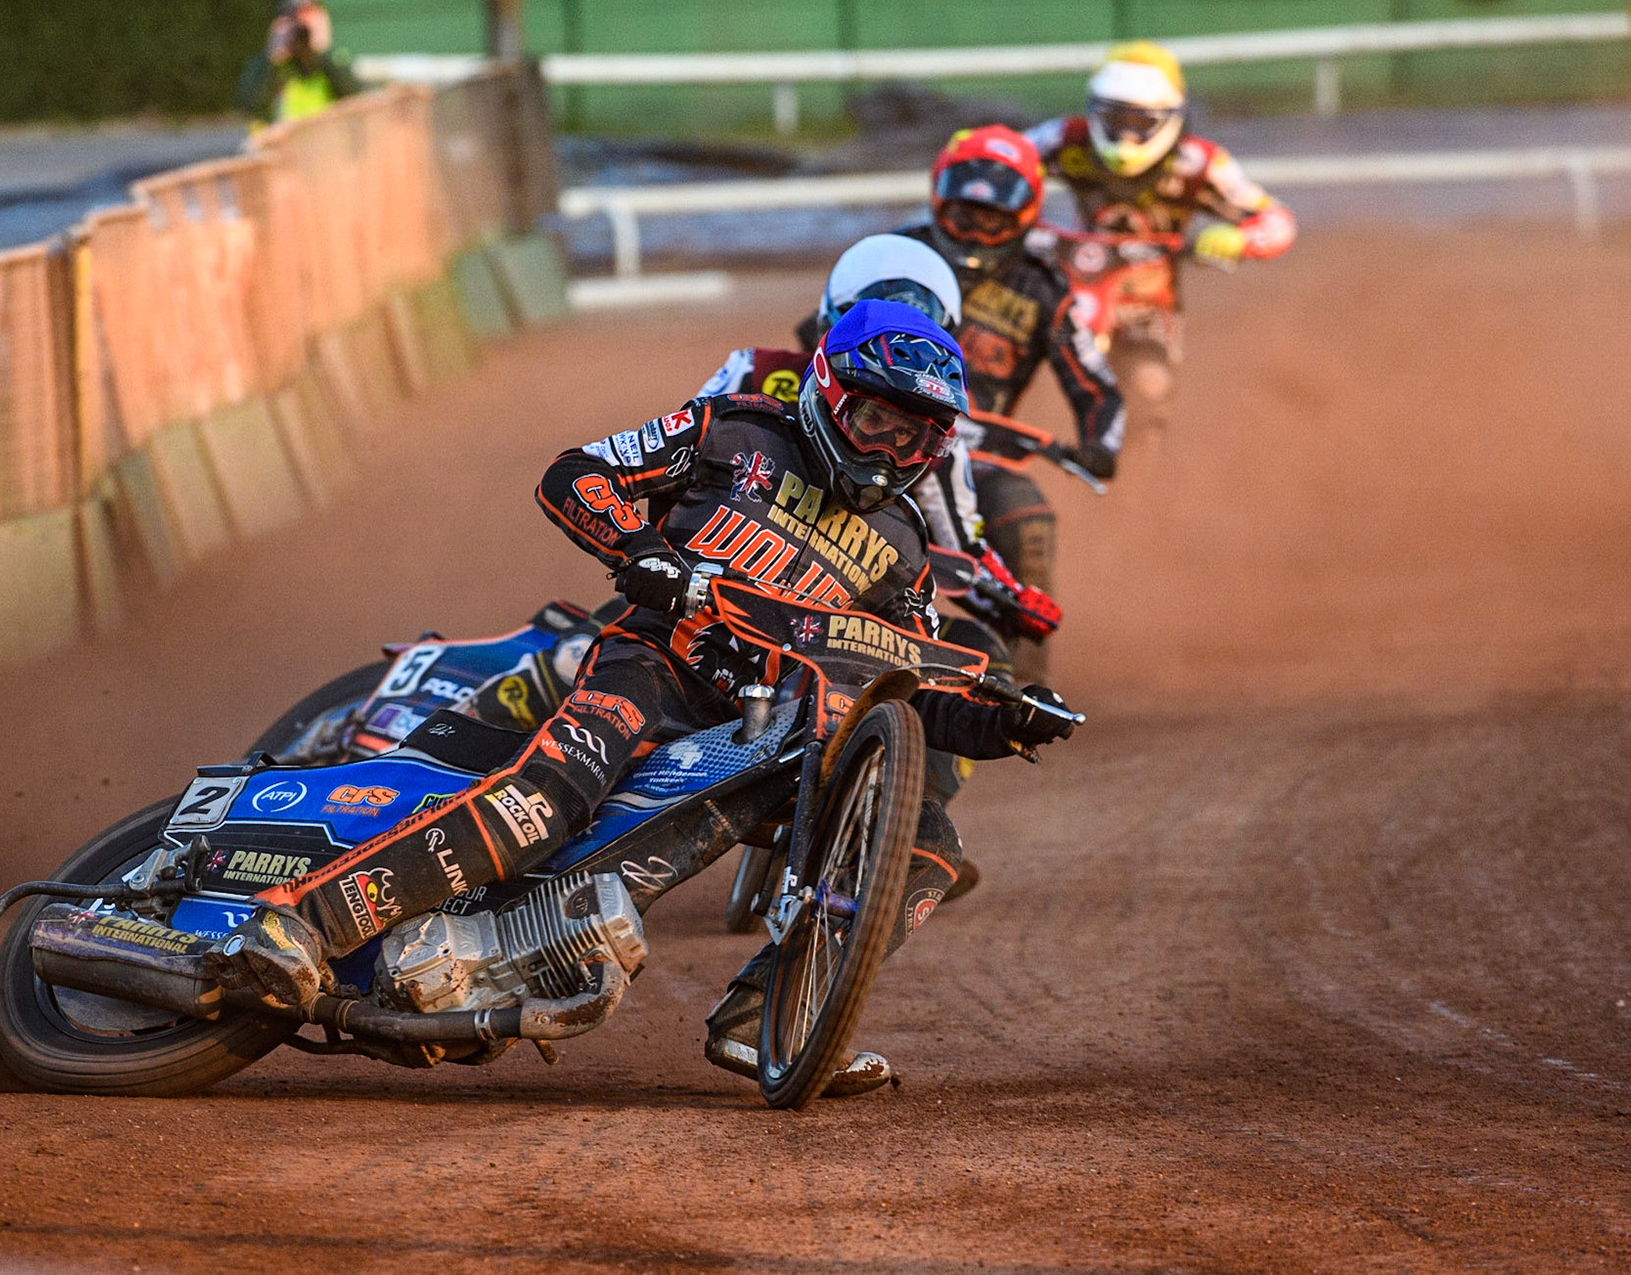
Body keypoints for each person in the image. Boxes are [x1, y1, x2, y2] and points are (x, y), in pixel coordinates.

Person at [205, 302, 1076, 1095]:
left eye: (913, 440)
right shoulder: (732, 434)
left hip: (772, 728)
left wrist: (1004, 717)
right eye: (875, 420)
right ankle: (302, 923)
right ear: (826, 391)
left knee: (930, 846)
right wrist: (639, 551)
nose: (888, 450)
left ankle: (764, 1017)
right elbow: (576, 473)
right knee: (548, 800)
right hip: (655, 665)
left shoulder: (903, 548)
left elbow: (914, 690)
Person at [701, 233, 1062, 815]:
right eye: (880, 317)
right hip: (724, 583)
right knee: (607, 640)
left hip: (853, 608)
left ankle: (910, 814)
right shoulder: (753, 372)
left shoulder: (939, 429)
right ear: (833, 319)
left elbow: (960, 537)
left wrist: (1014, 597)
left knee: (970, 654)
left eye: (918, 325)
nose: (899, 346)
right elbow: (679, 465)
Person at [897, 125, 1125, 679]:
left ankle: (1024, 688)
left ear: (1024, 218)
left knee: (1029, 520)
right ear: (937, 203)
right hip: (876, 436)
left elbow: (1097, 386)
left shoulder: (1044, 287)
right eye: (963, 216)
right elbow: (819, 334)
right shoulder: (896, 256)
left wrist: (1098, 444)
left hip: (977, 458)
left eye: (992, 219)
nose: (975, 232)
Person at [1025, 41, 1297, 425]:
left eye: (1141, 123)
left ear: (1170, 118)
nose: (1126, 136)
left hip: (1147, 303)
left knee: (1150, 389)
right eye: (1114, 120)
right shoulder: (1067, 139)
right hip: (1068, 284)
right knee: (1019, 368)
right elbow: (1000, 159)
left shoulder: (1199, 163)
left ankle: (1146, 473)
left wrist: (1238, 239)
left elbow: (1277, 221)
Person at [236, 0, 360, 126]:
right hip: (282, 142)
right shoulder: (268, 65)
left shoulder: (333, 61)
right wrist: (273, 60)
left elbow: (354, 100)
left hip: (323, 140)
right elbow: (250, 107)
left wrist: (322, 50)